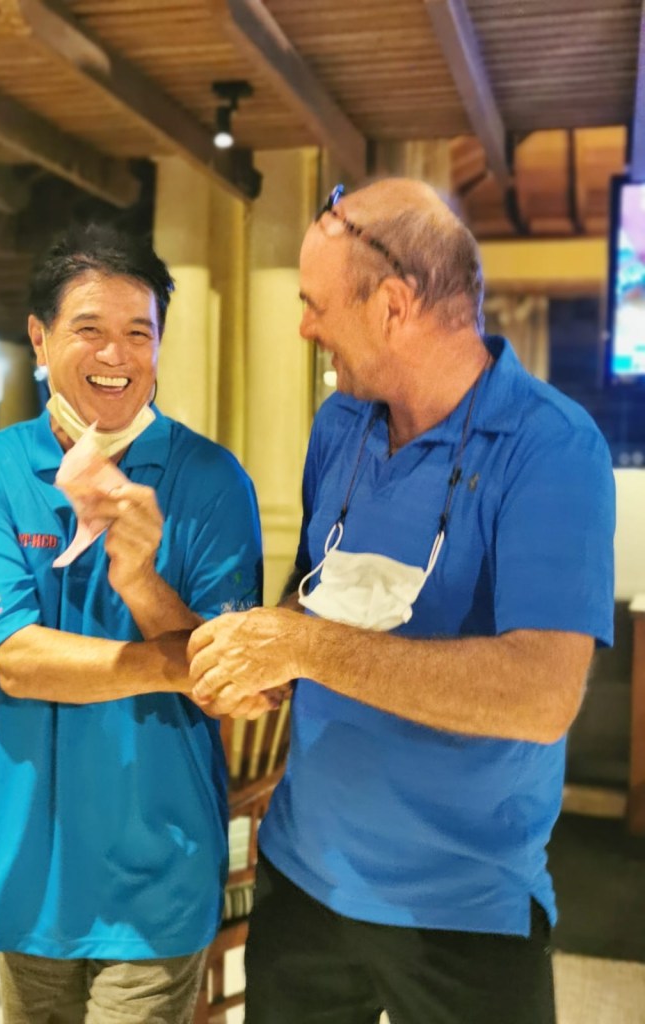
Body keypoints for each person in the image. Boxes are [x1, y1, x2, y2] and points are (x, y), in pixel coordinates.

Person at [188, 178, 615, 1024]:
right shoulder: (339, 425)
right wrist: (263, 659)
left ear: (391, 306)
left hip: (465, 910)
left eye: (314, 305)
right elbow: (310, 594)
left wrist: (306, 648)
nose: (304, 327)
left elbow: (542, 695)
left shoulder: (551, 446)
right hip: (302, 880)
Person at [0, 222, 267, 1024]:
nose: (116, 355)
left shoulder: (211, 480)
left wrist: (141, 580)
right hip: (31, 868)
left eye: (138, 333)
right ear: (40, 339)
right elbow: (19, 660)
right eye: (89, 329)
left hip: (162, 868)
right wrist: (176, 663)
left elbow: (232, 684)